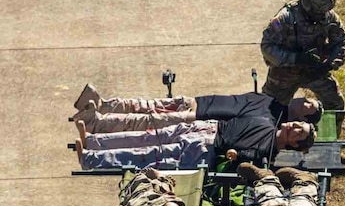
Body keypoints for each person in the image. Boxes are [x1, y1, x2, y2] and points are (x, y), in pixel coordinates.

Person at [260, 0, 345, 160]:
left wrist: (328, 64)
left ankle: (328, 151)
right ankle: (268, 152)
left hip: (314, 71)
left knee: (334, 105)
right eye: (318, 12)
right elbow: (267, 46)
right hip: (284, 73)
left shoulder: (329, 17)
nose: (322, 16)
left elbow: (340, 42)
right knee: (268, 110)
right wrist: (295, 58)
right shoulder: (285, 18)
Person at [75, 118, 315, 170]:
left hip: (202, 149)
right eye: (297, 123)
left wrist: (235, 154)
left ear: (294, 144)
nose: (293, 126)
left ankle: (90, 159)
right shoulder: (267, 121)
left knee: (144, 155)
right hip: (203, 128)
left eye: (298, 131)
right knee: (146, 136)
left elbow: (237, 159)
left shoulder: (266, 153)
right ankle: (94, 141)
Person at [71, 86, 322, 134]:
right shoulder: (272, 101)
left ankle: (96, 122)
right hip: (196, 102)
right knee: (143, 106)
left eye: (307, 105)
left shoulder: (269, 120)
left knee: (142, 120)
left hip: (196, 116)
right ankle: (100, 106)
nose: (303, 100)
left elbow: (230, 122)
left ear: (303, 117)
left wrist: (195, 118)